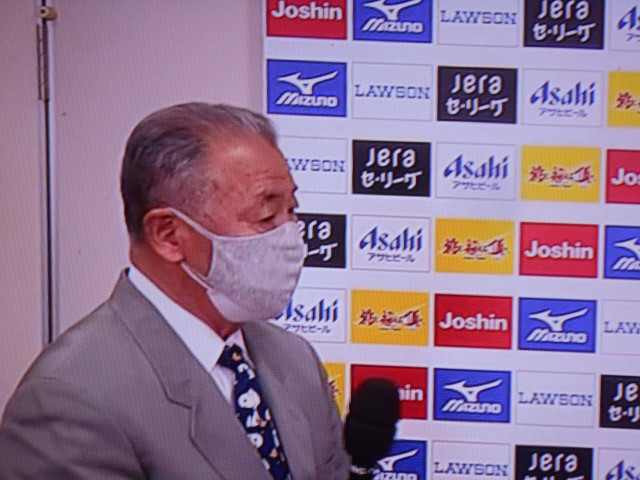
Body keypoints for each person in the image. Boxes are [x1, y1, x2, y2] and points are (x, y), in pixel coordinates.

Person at [0, 103, 350, 479]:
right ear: (169, 235)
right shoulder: (70, 399)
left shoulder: (293, 358)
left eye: (291, 211)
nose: (291, 235)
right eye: (266, 217)